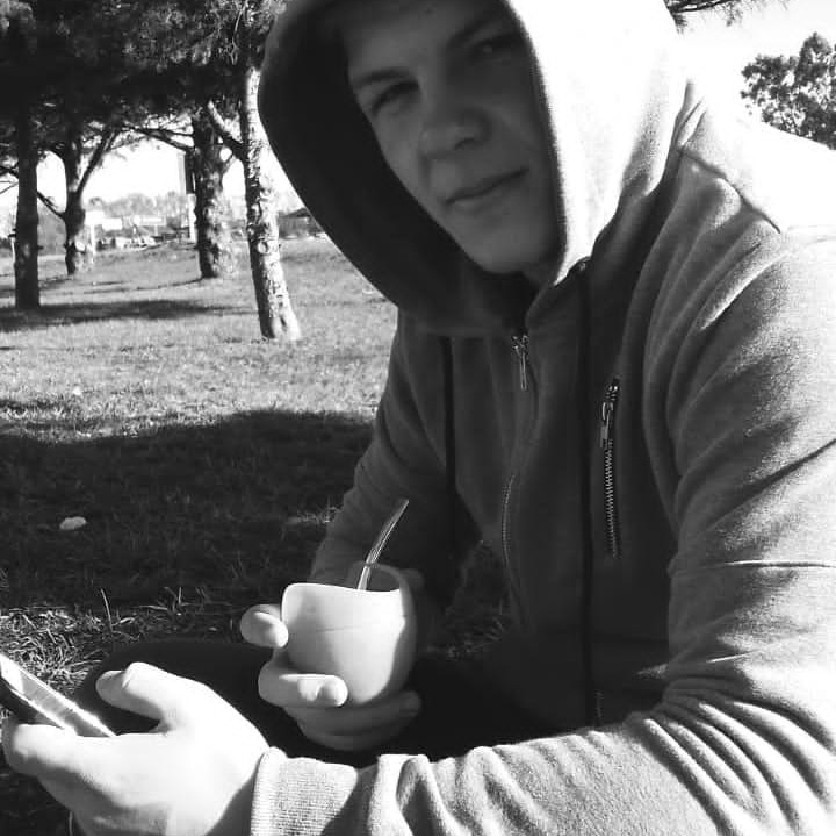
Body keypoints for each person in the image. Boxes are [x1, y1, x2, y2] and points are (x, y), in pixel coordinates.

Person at [5, 0, 836, 833]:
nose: (441, 132)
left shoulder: (780, 273)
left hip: (707, 771)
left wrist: (262, 809)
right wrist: (329, 668)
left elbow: (775, 777)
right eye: (393, 92)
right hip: (536, 720)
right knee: (132, 706)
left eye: (492, 49)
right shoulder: (457, 285)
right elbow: (384, 532)